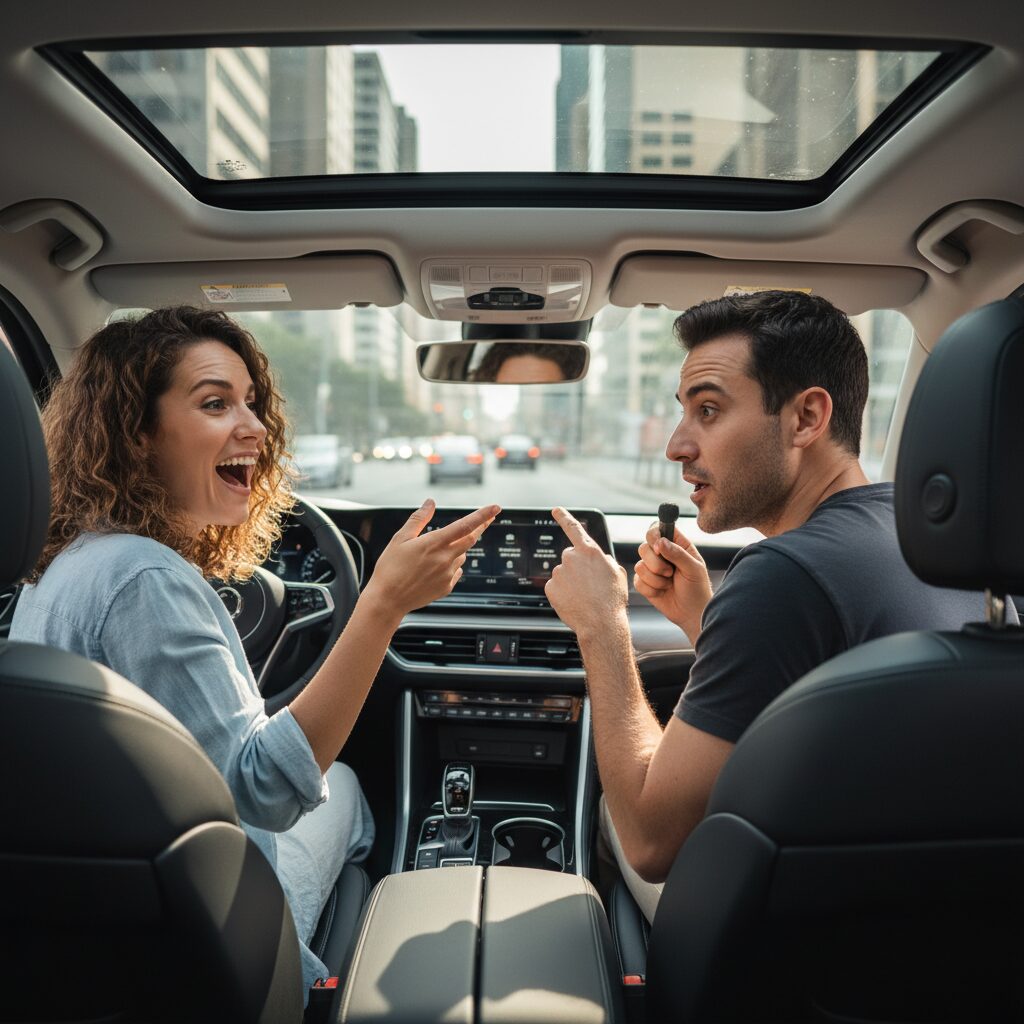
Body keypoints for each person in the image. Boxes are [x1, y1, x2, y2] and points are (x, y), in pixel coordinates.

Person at [11, 306, 499, 996]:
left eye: (253, 403)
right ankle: (310, 968)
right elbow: (264, 789)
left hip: (100, 921)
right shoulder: (146, 579)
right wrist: (383, 605)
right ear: (138, 432)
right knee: (349, 793)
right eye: (216, 403)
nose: (256, 427)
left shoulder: (64, 565)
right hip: (209, 931)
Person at [543, 290, 1002, 922]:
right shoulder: (931, 542)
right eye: (683, 413)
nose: (677, 445)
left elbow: (652, 840)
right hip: (941, 921)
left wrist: (601, 624)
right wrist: (706, 620)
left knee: (609, 813)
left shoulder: (783, 575)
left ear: (806, 418)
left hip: (806, 942)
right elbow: (821, 696)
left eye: (709, 410)